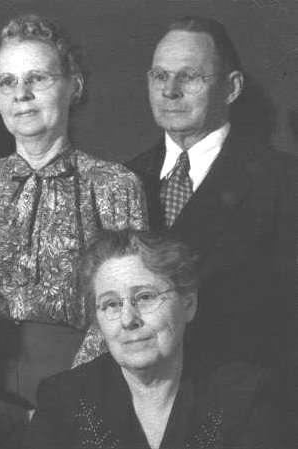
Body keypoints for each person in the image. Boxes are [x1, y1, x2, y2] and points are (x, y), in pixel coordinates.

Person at [0, 14, 146, 443]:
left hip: (82, 397)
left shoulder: (114, 185)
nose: (21, 95)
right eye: (6, 82)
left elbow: (127, 309)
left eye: (37, 79)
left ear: (74, 85)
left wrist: (64, 402)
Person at [125, 16, 296, 385]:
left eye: (189, 76)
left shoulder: (284, 181)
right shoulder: (120, 181)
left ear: (231, 88)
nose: (170, 91)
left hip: (245, 402)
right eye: (159, 76)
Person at [24, 230, 286, 449]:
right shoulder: (63, 397)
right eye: (111, 304)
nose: (128, 319)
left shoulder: (245, 394)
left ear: (188, 304)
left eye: (146, 297)